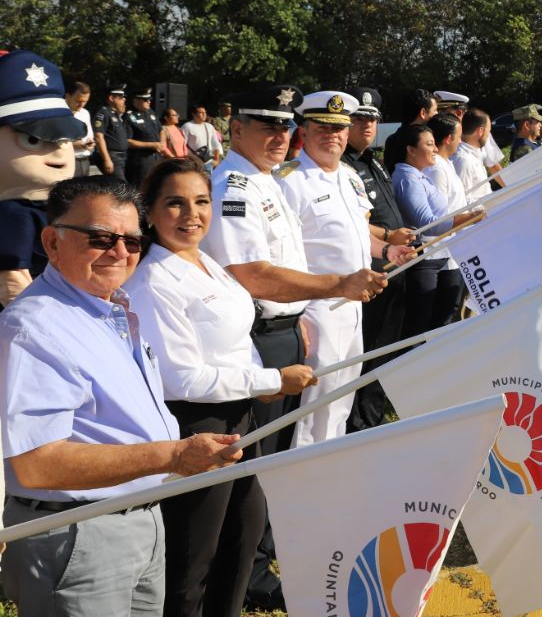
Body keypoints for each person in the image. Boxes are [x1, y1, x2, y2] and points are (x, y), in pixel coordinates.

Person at [0, 175, 243, 617]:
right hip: (79, 534)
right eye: (100, 238)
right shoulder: (34, 327)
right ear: (52, 242)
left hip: (137, 520)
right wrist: (173, 455)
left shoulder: (109, 306)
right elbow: (36, 464)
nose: (120, 252)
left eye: (133, 241)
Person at [201, 85, 385, 610]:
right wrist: (332, 290)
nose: (279, 135)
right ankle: (255, 569)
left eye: (284, 126)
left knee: (306, 428)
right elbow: (252, 273)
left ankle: (284, 536)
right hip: (264, 329)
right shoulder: (234, 184)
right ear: (236, 128)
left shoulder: (265, 181)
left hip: (296, 320)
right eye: (267, 125)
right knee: (270, 449)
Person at [125, 159, 316, 617]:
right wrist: (270, 379)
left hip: (238, 415)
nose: (191, 214)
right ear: (149, 211)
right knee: (193, 558)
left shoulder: (205, 260)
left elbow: (236, 339)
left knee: (242, 538)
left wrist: (259, 383)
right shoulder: (152, 278)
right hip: (196, 424)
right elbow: (181, 377)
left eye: (201, 202)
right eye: (175, 203)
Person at [280, 91, 413, 445]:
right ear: (303, 131)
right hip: (315, 307)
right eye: (322, 127)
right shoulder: (288, 181)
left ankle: (331, 464)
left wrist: (388, 249)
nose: (333, 135)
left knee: (342, 395)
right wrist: (292, 316)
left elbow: (357, 231)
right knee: (313, 403)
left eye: (339, 127)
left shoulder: (351, 176)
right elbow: (279, 254)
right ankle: (301, 476)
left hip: (353, 305)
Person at [341, 87, 417, 434]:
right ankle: (358, 424)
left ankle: (371, 417)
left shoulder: (372, 158)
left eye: (372, 119)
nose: (367, 124)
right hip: (368, 272)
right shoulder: (342, 165)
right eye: (359, 118)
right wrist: (388, 238)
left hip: (393, 268)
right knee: (366, 353)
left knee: (383, 351)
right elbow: (351, 221)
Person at [0, 50, 84, 307]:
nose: (60, 150)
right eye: (33, 140)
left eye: (64, 139)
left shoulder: (52, 205)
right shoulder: (14, 215)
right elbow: (12, 282)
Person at [392, 124, 481, 336]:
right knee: (419, 328)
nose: (434, 149)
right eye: (429, 144)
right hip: (422, 259)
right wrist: (468, 219)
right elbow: (427, 223)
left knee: (433, 323)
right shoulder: (408, 178)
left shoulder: (418, 175)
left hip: (433, 258)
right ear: (410, 150)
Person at [424, 113, 468, 327]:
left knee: (451, 311)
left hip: (455, 250)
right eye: (459, 136)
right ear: (449, 138)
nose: (461, 141)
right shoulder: (436, 169)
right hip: (442, 254)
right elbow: (438, 216)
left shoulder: (446, 164)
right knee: (442, 315)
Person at [382, 89, 437, 171]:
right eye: (435, 110)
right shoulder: (408, 141)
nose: (437, 114)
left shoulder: (392, 140)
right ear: (423, 113)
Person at [452, 108, 497, 202]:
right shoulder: (463, 160)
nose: (488, 135)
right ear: (480, 131)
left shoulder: (474, 154)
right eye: (488, 131)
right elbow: (463, 201)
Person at [125, 87, 165, 190]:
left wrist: (162, 143)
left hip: (156, 156)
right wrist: (151, 145)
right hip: (141, 159)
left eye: (149, 99)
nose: (149, 102)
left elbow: (161, 130)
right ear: (136, 100)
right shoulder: (129, 116)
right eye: (145, 100)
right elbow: (127, 141)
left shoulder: (151, 113)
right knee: (142, 186)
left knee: (157, 185)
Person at [92, 84, 130, 181]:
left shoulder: (116, 114)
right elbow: (98, 137)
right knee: (121, 186)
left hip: (122, 157)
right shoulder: (103, 113)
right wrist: (107, 159)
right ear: (111, 98)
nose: (124, 100)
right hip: (112, 156)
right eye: (121, 97)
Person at [64, 79, 94, 177]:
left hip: (85, 160)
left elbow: (89, 136)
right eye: (78, 101)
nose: (81, 105)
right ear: (68, 96)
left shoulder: (85, 113)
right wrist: (72, 144)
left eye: (85, 101)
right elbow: (50, 140)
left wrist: (90, 143)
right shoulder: (57, 113)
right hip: (66, 161)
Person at [182, 104, 223, 169]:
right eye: (201, 113)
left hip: (208, 160)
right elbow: (183, 145)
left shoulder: (209, 126)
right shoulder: (187, 126)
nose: (204, 114)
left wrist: (216, 159)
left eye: (205, 113)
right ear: (194, 114)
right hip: (193, 161)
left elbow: (215, 143)